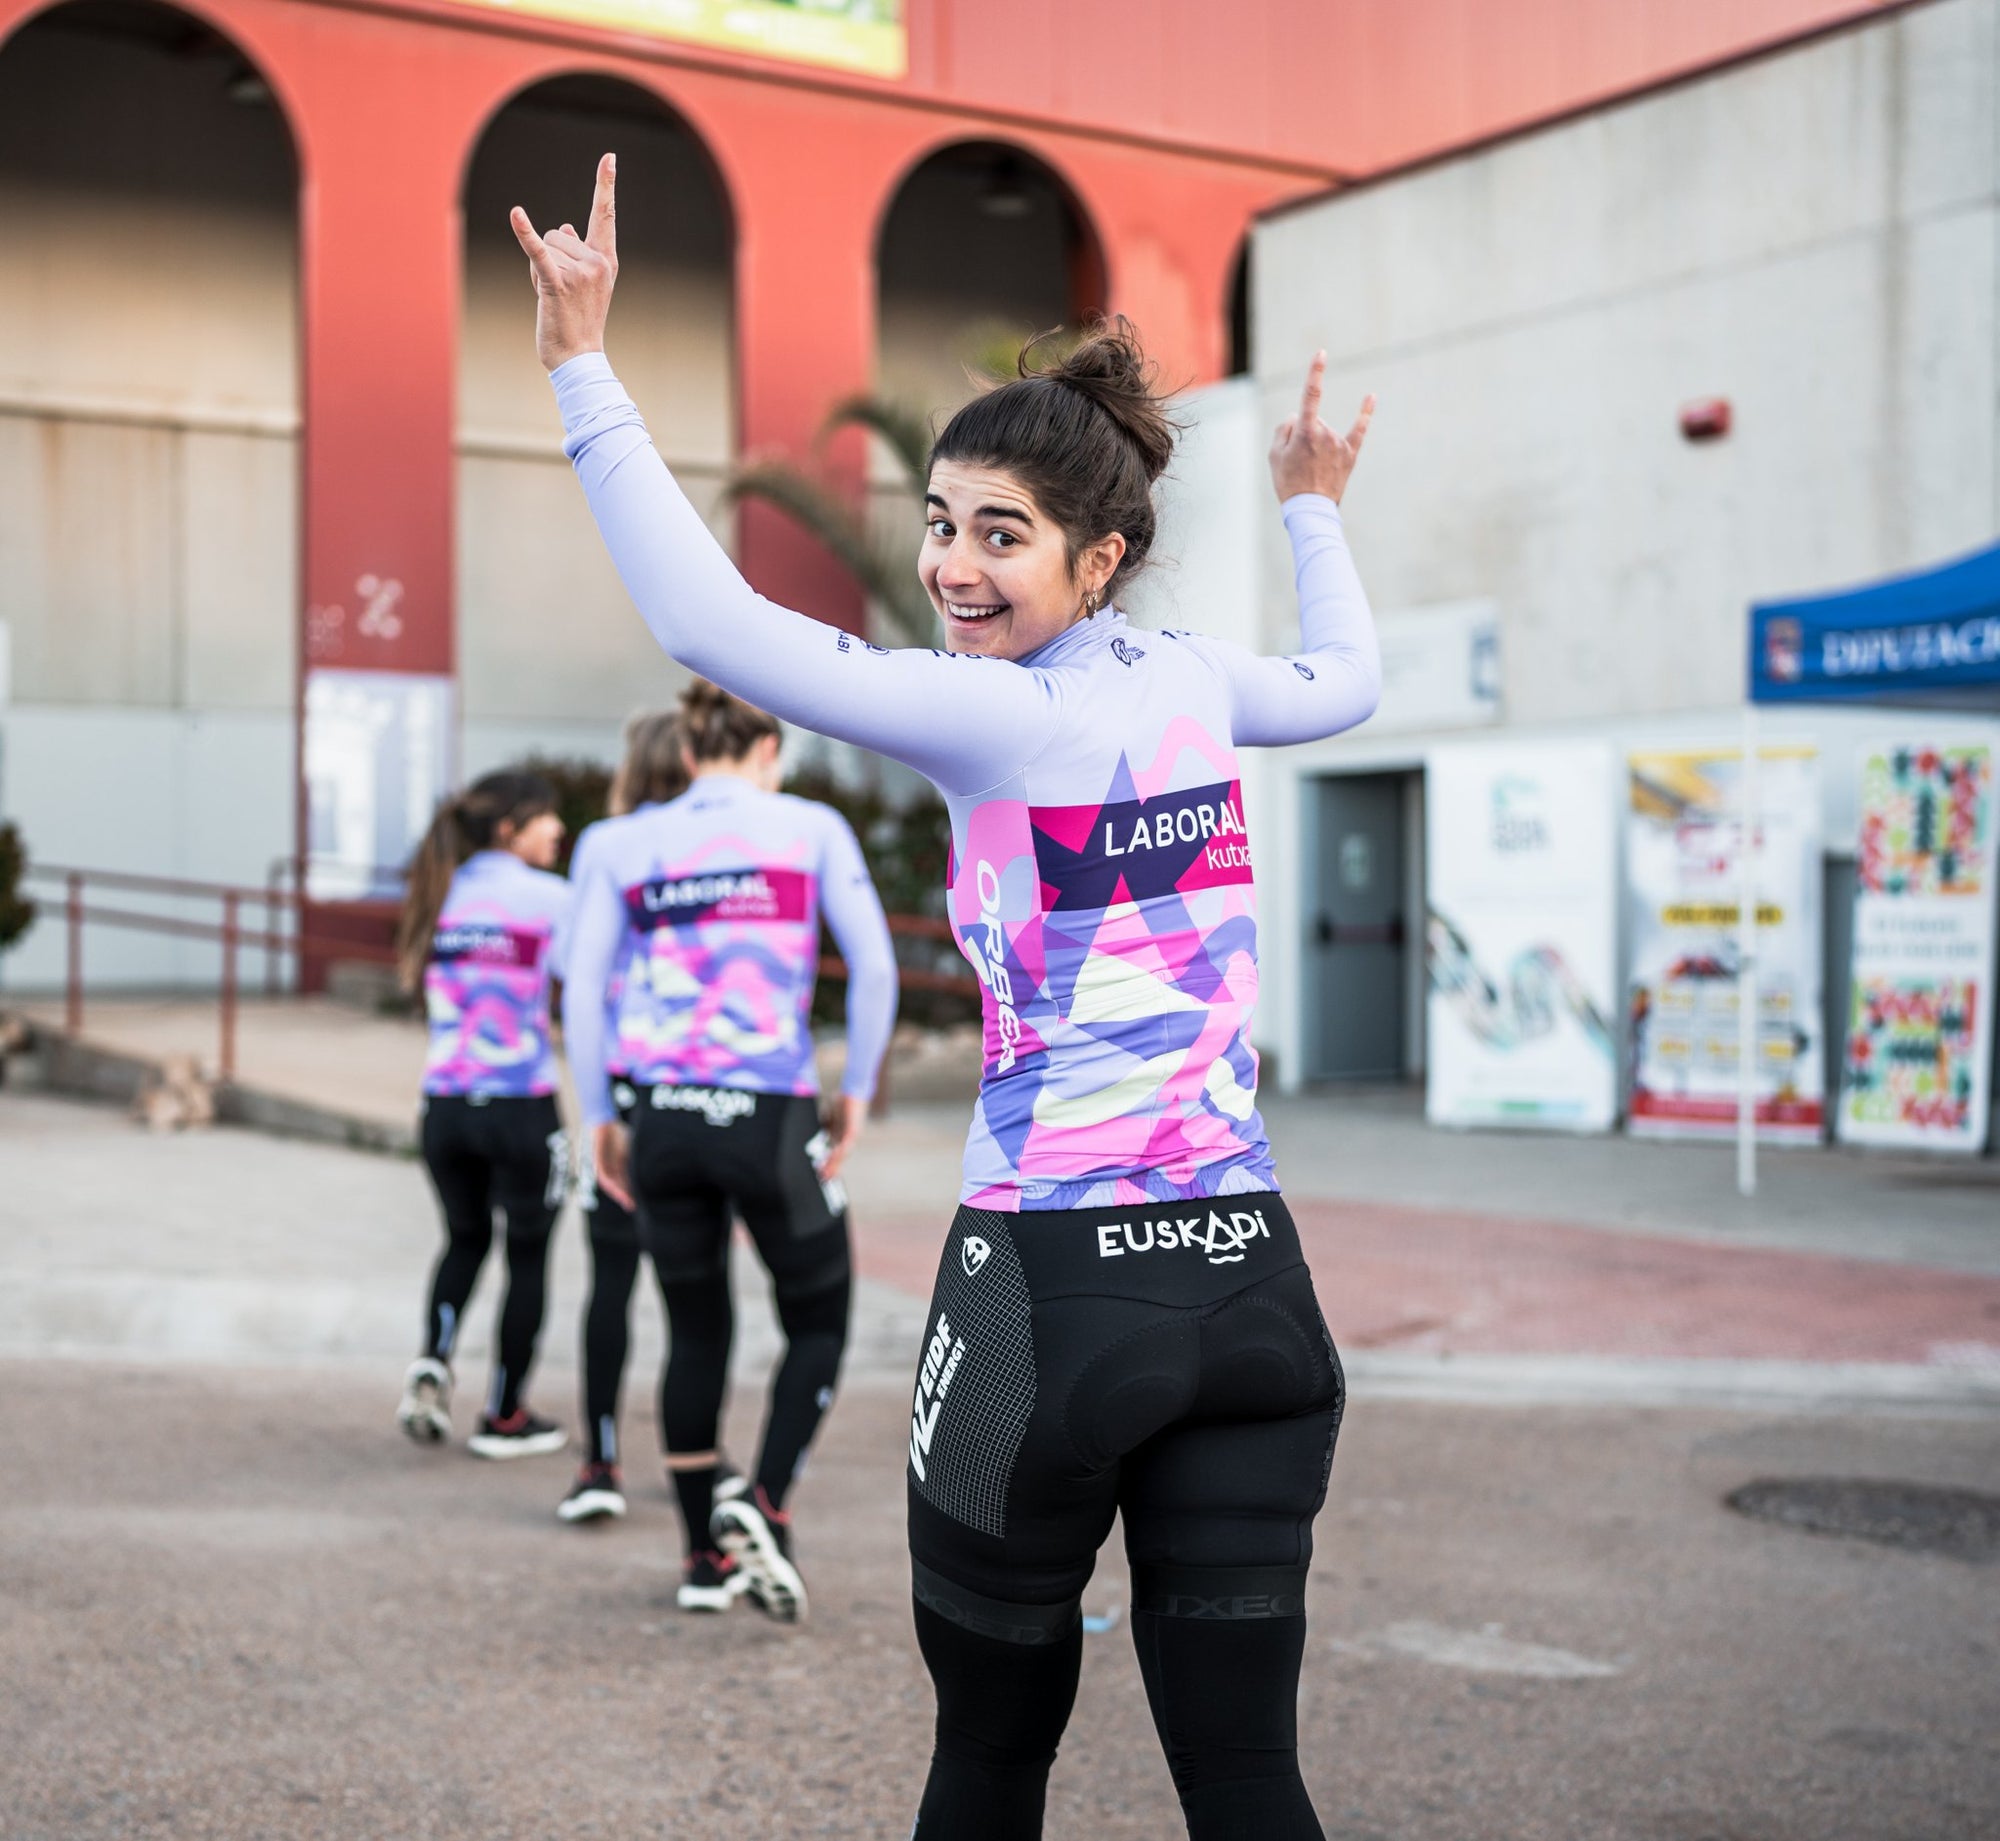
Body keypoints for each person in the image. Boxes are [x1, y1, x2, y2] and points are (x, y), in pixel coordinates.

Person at [515, 157, 1378, 1833]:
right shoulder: (1203, 682)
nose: (954, 568)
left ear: (1103, 552)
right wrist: (1313, 503)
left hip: (1052, 1300)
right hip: (1255, 1297)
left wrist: (581, 367)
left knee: (987, 1763)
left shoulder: (996, 717)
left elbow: (709, 616)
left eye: (1005, 536)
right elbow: (1350, 680)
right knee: (1251, 1777)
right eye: (939, 522)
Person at [562, 677, 898, 1616]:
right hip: (770, 1116)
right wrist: (859, 1091)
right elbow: (872, 964)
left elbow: (583, 988)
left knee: (696, 1329)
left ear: (686, 748)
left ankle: (701, 1561)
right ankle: (765, 1499)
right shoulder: (810, 827)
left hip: (660, 1116)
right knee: (819, 1319)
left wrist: (601, 1112)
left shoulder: (620, 843)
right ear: (767, 752)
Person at [394, 769, 573, 1460]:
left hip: (443, 1106)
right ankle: (503, 1413)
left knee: (464, 1239)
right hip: (521, 1106)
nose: (558, 830)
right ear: (509, 828)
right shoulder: (548, 897)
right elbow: (588, 983)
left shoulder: (438, 895)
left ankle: (434, 1358)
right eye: (546, 818)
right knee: (527, 1253)